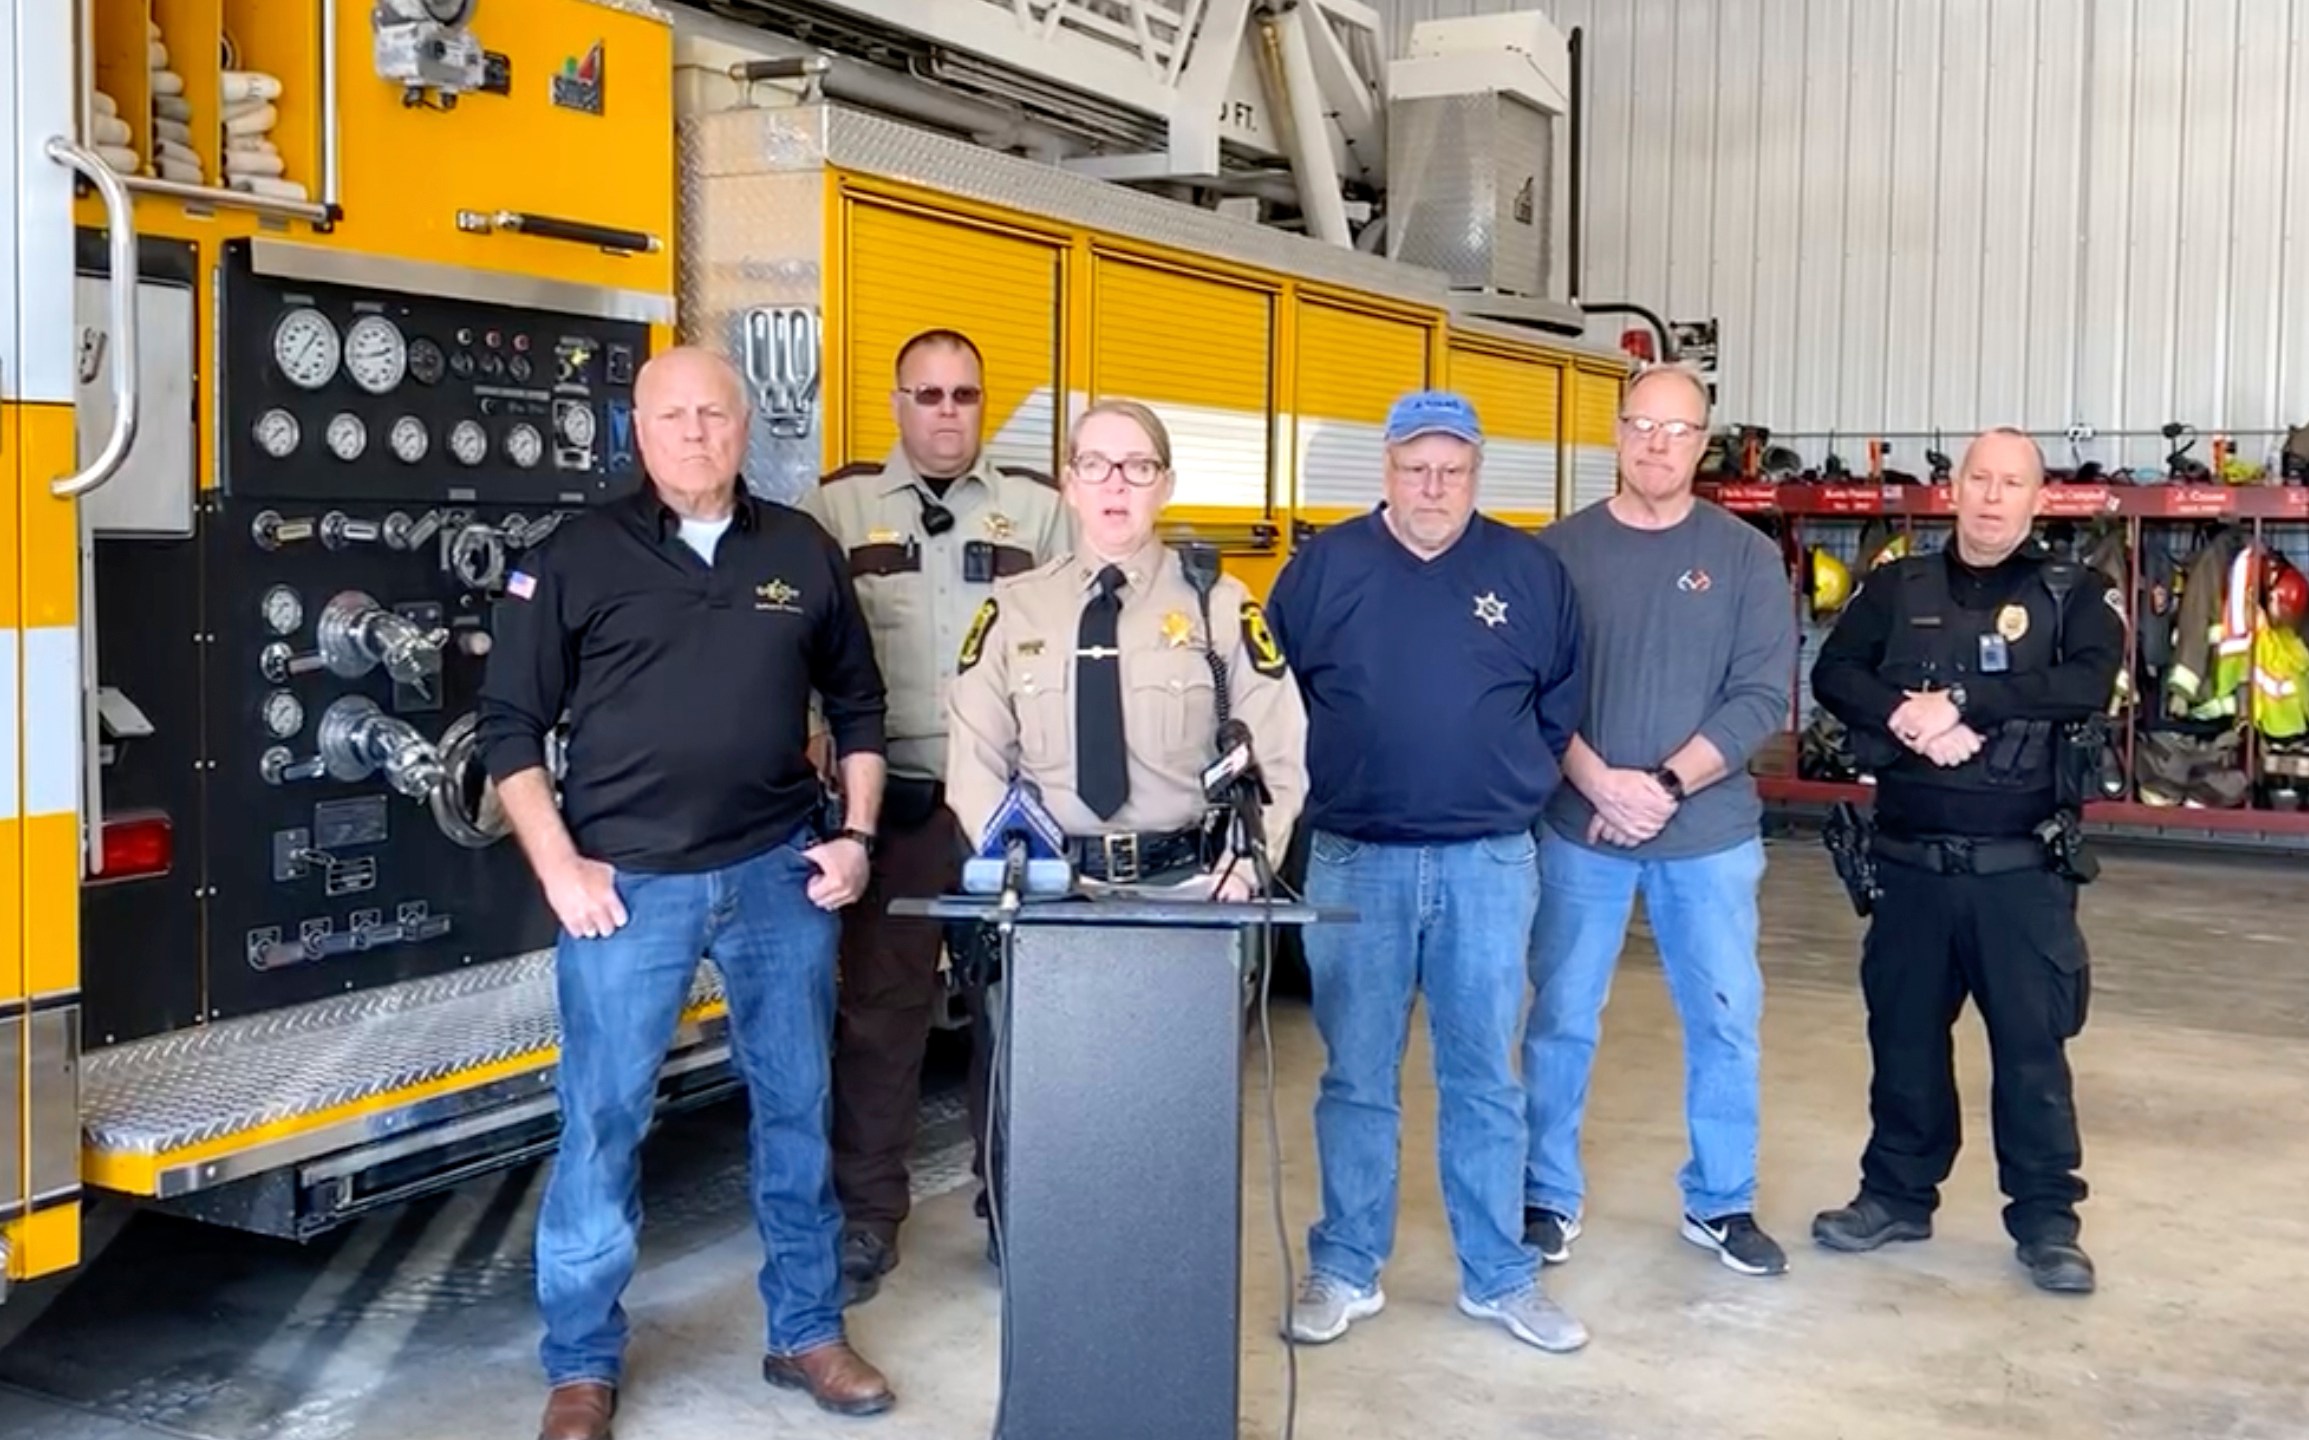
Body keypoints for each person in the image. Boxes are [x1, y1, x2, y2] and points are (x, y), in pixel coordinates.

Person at [478, 345, 899, 1439]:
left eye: (715, 413)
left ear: (744, 426)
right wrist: (558, 866)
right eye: (673, 416)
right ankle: (580, 1366)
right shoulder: (573, 556)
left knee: (797, 1110)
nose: (696, 433)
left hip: (775, 878)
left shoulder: (801, 550)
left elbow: (858, 706)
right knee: (603, 1122)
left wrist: (852, 837)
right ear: (636, 430)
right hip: (629, 892)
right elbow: (506, 730)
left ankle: (806, 1330)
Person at [1265, 390, 1589, 1354]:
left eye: (1452, 468)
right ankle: (1346, 1267)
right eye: (1415, 468)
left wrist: (1502, 778)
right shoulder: (1322, 570)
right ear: (1386, 470)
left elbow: (1559, 701)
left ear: (1477, 471)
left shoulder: (1529, 572)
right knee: (1355, 1075)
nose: (1433, 486)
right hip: (1353, 862)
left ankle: (1498, 1277)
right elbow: (1274, 701)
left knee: (1484, 1077)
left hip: (1488, 862)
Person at [1808, 426, 2124, 1295]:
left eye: (2009, 483)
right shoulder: (1894, 584)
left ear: (2037, 498)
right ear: (1953, 489)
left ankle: (2046, 1223)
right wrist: (1904, 717)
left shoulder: (2073, 594)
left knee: (2031, 1054)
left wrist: (1962, 704)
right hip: (1907, 867)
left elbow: (2085, 683)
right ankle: (1895, 1196)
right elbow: (1835, 674)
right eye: (1978, 479)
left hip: (2018, 874)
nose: (1991, 497)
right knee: (1902, 1042)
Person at [795, 328, 1072, 1306]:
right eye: (928, 394)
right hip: (899, 807)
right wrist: (814, 732)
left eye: (963, 393)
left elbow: (1087, 645)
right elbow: (801, 641)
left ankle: (1015, 1207)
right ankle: (868, 1218)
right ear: (897, 402)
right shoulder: (837, 507)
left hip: (1010, 810)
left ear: (982, 402)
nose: (946, 412)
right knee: (879, 1019)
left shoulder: (1040, 510)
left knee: (1019, 1018)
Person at [1516, 362, 1800, 1278]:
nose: (1656, 444)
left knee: (1723, 1019)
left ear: (1702, 442)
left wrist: (1663, 788)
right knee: (1560, 1014)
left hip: (1707, 838)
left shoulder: (1748, 558)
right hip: (1579, 828)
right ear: (1615, 432)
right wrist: (1600, 784)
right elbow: (1531, 691)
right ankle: (1544, 1195)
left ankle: (1720, 1200)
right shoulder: (1555, 555)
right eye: (1641, 424)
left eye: (1676, 430)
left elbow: (1760, 696)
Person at [944, 397, 1306, 888]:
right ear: (1070, 486)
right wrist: (1023, 867)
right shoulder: (1014, 609)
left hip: (1190, 885)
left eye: (1139, 467)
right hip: (1052, 887)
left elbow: (1278, 751)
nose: (1116, 483)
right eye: (1094, 465)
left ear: (1166, 486)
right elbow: (975, 763)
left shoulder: (1219, 605)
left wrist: (1241, 872)